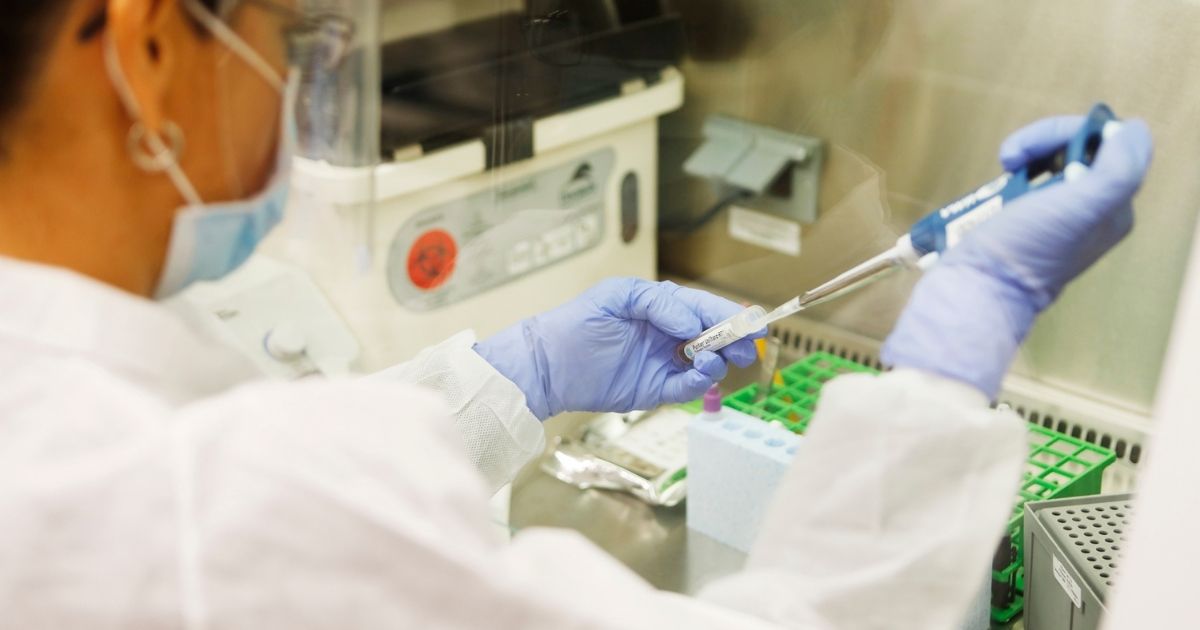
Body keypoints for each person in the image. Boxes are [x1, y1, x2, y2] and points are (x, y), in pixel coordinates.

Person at [0, 1, 1155, 629]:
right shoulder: (198, 504)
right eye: (286, 33)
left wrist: (514, 375)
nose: (293, 76)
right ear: (150, 49)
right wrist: (953, 359)